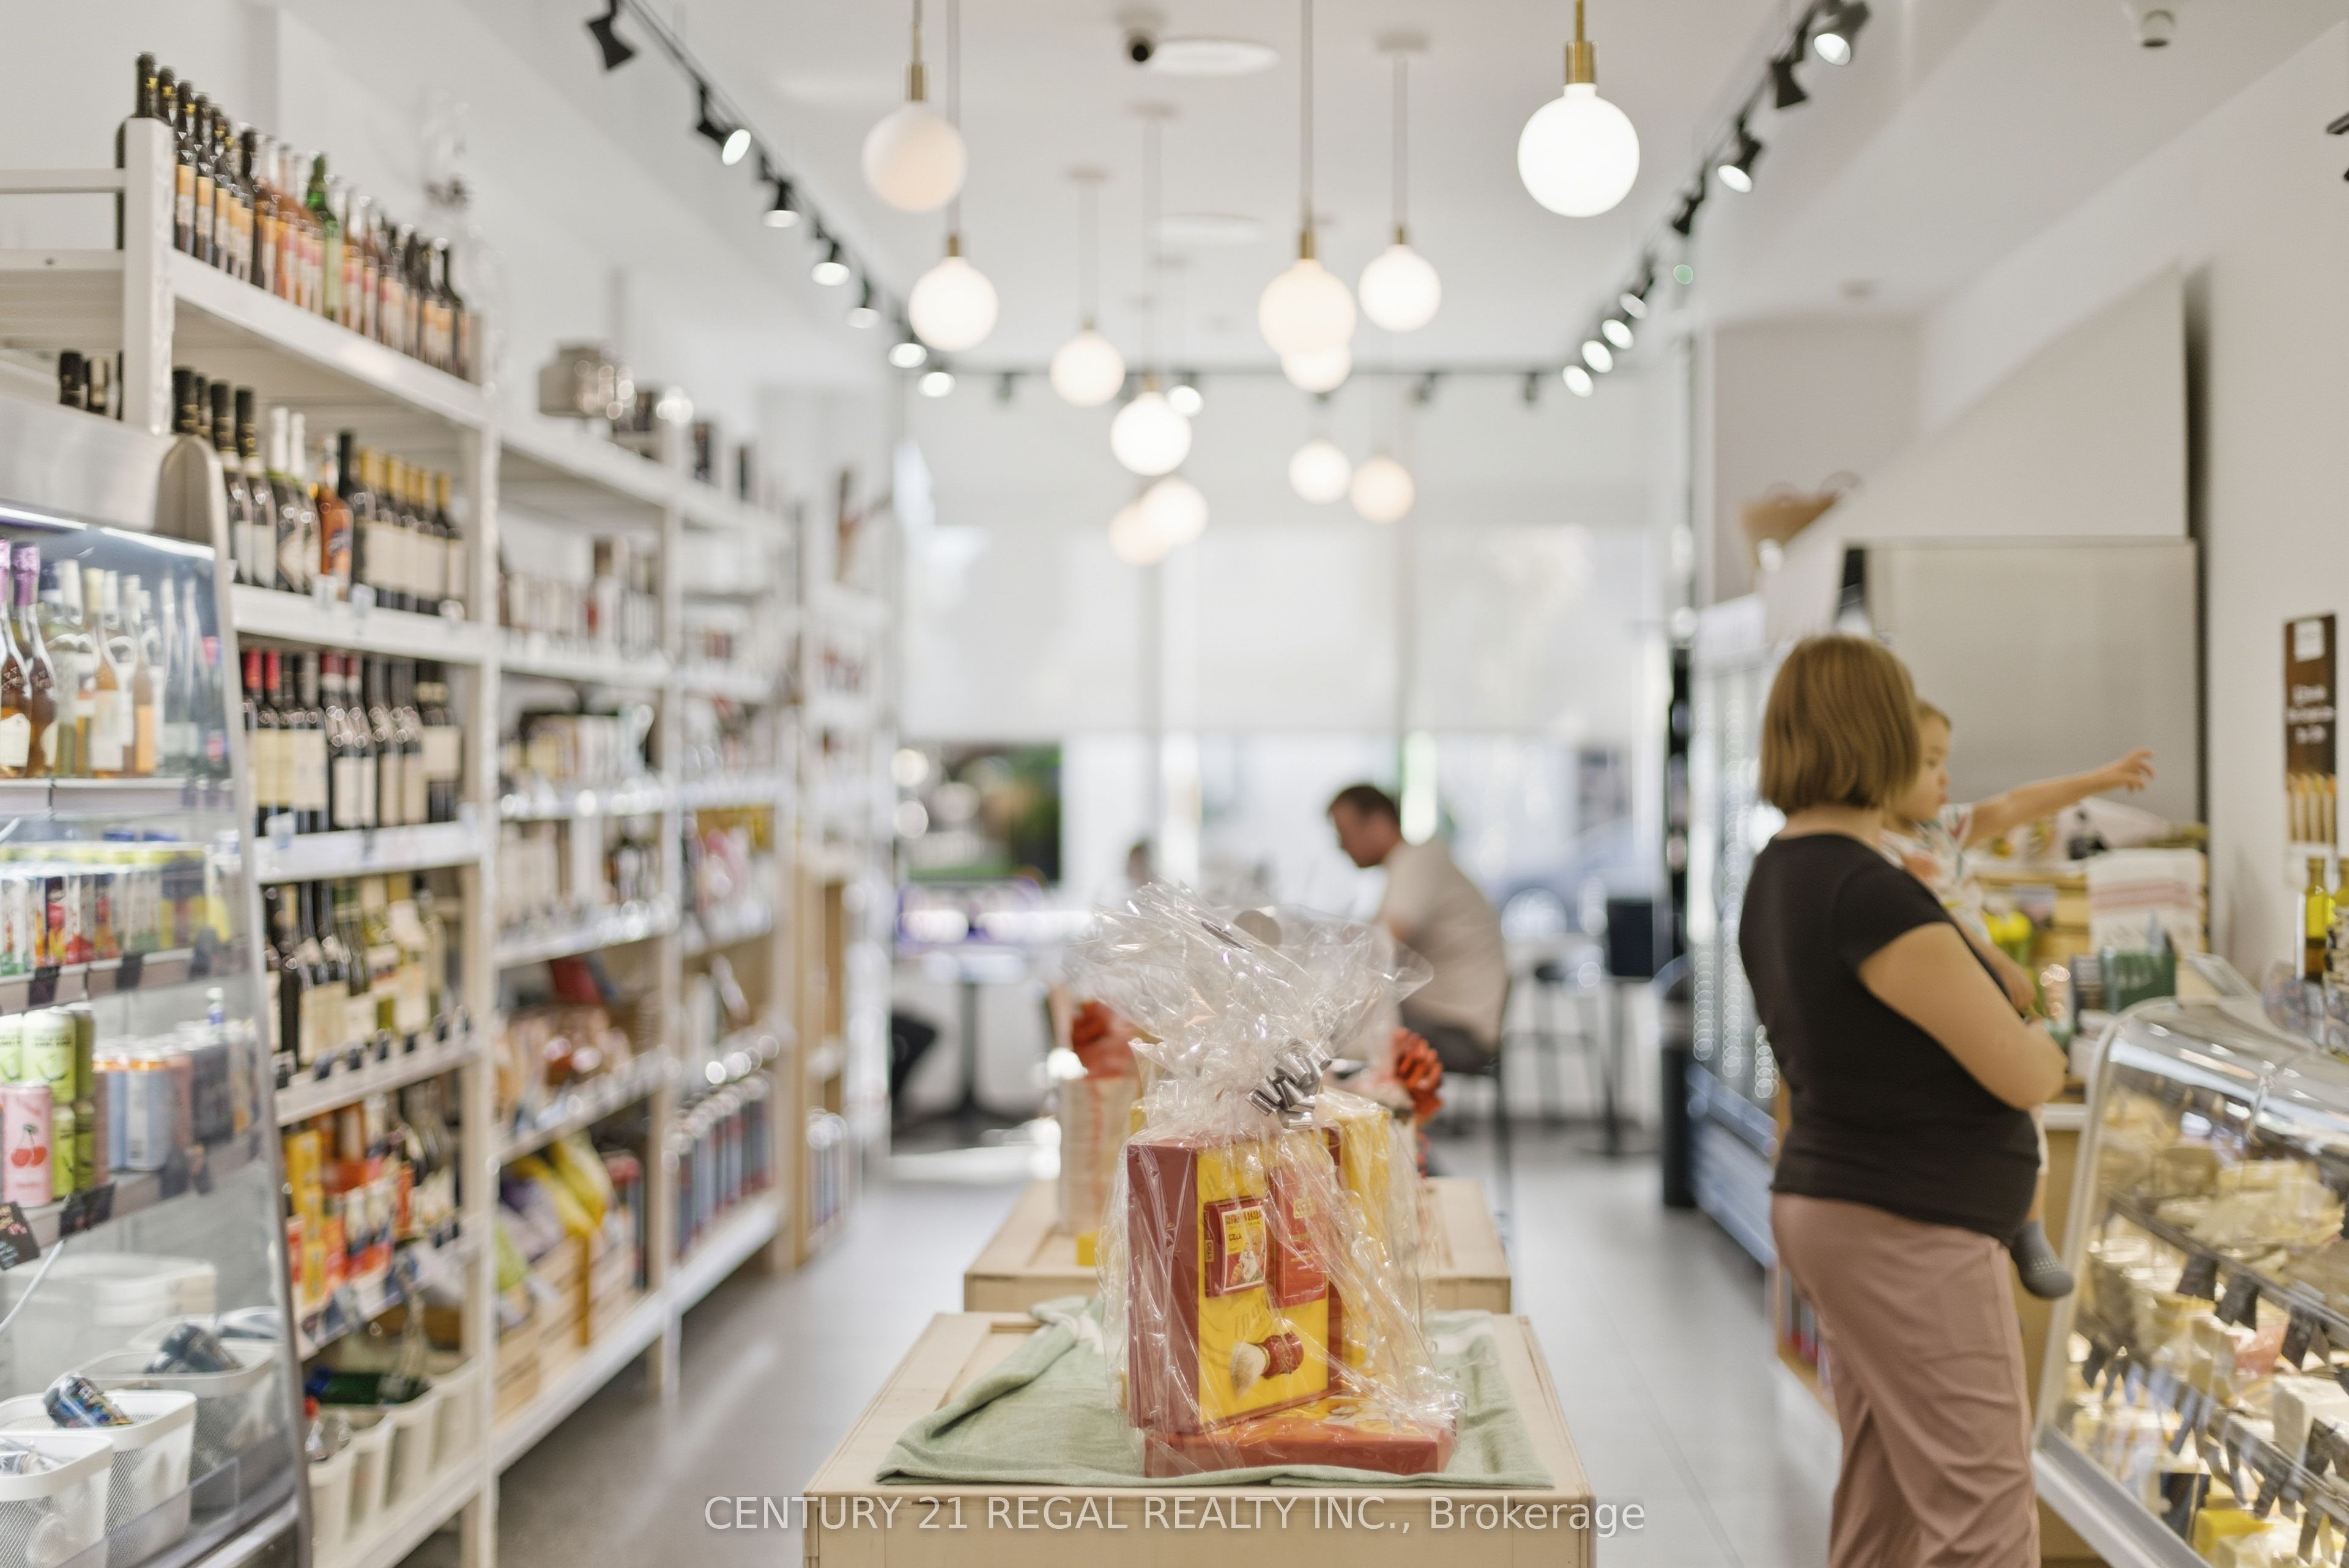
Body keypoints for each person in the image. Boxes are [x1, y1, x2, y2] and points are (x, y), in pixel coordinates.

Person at [1741, 636, 2066, 1568]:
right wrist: (2048, 1037)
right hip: (1910, 1223)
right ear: (1883, 737)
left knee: (1884, 1499)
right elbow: (2022, 1072)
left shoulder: (1780, 871)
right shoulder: (1867, 893)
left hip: (1845, 1205)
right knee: (1984, 1520)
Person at [1884, 699, 2155, 1299]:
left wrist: (2100, 780)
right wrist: (1999, 962)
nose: (1944, 778)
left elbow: (2014, 805)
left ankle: (2029, 1227)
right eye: (1929, 763)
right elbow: (1928, 926)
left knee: (2027, 1107)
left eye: (1944, 761)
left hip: (1988, 993)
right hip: (1948, 991)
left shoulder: (1940, 829)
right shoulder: (1875, 851)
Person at [1327, 783, 1507, 1073]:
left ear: (1378, 822)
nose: (1341, 846)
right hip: (1447, 1017)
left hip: (1462, 1031)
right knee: (1342, 1025)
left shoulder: (1419, 860)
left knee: (1333, 1030)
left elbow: (1381, 944)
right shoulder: (1414, 861)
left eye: (1344, 833)